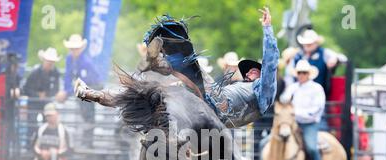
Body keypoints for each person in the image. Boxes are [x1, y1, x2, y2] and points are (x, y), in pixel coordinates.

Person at [74, 6, 279, 131]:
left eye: (253, 69)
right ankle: (91, 94)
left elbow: (270, 64)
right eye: (249, 70)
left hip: (216, 107)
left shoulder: (264, 91)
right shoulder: (246, 90)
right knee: (147, 94)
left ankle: (159, 61)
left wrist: (268, 29)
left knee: (189, 66)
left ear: (259, 75)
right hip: (210, 105)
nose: (249, 71)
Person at [280, 59, 325, 160]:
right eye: (299, 72)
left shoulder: (317, 88)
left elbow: (316, 110)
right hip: (292, 123)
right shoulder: (292, 87)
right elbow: (283, 100)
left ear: (309, 74)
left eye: (304, 72)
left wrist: (296, 112)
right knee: (269, 141)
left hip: (309, 124)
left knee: (311, 147)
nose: (301, 75)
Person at [56, 34, 101, 148]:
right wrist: (66, 89)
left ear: (81, 48)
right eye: (72, 48)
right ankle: (84, 142)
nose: (74, 50)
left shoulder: (86, 62)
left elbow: (84, 81)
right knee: (84, 114)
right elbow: (68, 75)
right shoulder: (69, 59)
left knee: (88, 114)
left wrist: (67, 92)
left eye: (76, 48)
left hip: (92, 86)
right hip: (82, 87)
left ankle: (88, 142)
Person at [22, 47, 62, 140]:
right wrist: (37, 95)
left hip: (46, 103)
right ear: (44, 60)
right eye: (48, 60)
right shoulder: (35, 72)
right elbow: (26, 88)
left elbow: (56, 88)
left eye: (52, 61)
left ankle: (45, 143)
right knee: (31, 124)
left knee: (48, 123)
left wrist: (47, 94)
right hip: (34, 103)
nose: (50, 63)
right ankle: (30, 145)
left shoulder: (55, 73)